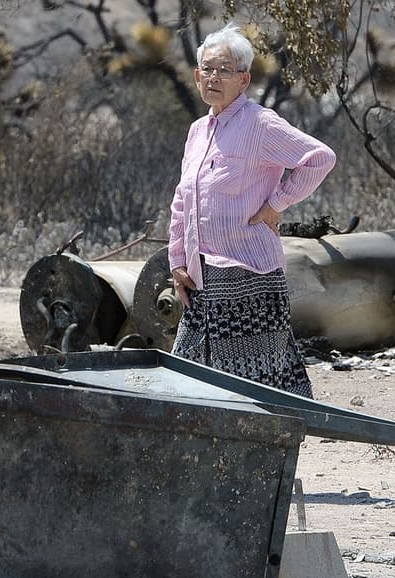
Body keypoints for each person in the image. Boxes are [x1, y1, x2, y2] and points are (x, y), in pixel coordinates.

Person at [167, 23, 335, 397]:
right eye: (207, 69)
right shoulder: (197, 131)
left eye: (225, 70)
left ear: (243, 80)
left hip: (249, 274)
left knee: (253, 389)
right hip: (201, 276)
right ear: (196, 76)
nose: (214, 77)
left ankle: (269, 449)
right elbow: (183, 200)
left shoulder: (259, 124)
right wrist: (177, 260)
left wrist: (276, 205)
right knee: (191, 382)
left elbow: (319, 158)